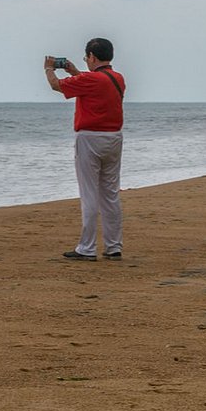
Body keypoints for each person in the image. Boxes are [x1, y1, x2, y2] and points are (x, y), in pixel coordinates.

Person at [45, 39, 124, 260]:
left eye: (86, 58)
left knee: (89, 193)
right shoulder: (117, 78)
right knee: (110, 194)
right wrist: (74, 70)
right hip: (114, 137)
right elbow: (93, 84)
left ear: (92, 56)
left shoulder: (90, 79)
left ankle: (87, 248)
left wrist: (49, 68)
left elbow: (56, 85)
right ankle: (113, 246)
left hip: (90, 137)